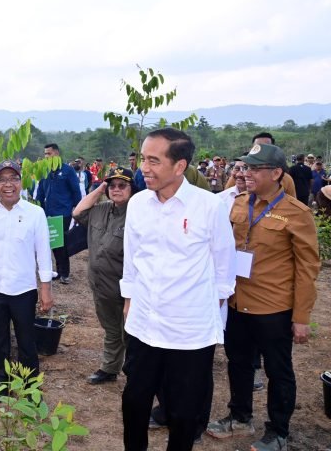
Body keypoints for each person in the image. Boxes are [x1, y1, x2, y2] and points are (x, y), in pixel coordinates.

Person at [120, 128, 236, 451]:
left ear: (180, 166)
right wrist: (129, 299)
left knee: (184, 412)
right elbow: (131, 258)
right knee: (134, 401)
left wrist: (204, 311)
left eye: (154, 161)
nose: (144, 167)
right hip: (145, 324)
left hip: (189, 332)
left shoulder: (208, 207)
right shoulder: (138, 204)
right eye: (143, 158)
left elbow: (224, 269)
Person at [207, 143, 319, 451]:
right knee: (238, 362)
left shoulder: (296, 213)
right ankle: (240, 416)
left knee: (278, 370)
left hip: (274, 307)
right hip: (238, 302)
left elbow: (307, 268)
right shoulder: (238, 204)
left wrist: (301, 318)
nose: (246, 173)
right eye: (245, 167)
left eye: (255, 169)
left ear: (276, 173)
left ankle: (278, 432)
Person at [0, 160, 54, 401]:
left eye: (14, 179)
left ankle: (30, 389)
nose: (9, 184)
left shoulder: (35, 213)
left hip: (23, 289)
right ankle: (1, 384)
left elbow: (43, 253)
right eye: (2, 180)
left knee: (27, 342)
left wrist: (45, 289)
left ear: (21, 182)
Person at [73, 167, 135, 385]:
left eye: (122, 185)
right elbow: (77, 212)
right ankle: (109, 368)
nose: (116, 189)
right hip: (101, 286)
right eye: (112, 186)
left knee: (130, 333)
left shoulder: (138, 213)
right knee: (111, 329)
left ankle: (136, 374)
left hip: (126, 288)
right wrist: (100, 188)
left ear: (132, 188)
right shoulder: (100, 210)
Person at [36, 143, 81, 284]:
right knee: (53, 242)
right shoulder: (45, 170)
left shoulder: (67, 170)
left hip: (63, 213)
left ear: (56, 153)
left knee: (61, 243)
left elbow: (75, 191)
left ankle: (65, 273)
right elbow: (41, 193)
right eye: (45, 154)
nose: (46, 156)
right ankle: (57, 271)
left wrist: (77, 210)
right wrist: (38, 208)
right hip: (48, 213)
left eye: (48, 153)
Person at [224, 132, 296, 197]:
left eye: (266, 146)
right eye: (258, 146)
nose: (262, 149)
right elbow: (227, 196)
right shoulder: (239, 176)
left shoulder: (286, 179)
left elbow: (292, 205)